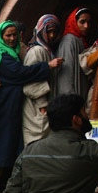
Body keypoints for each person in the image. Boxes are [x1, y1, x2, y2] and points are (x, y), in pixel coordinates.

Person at [0, 20, 61, 193]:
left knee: (10, 146)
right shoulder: (1, 56)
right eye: (7, 35)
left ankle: (3, 187)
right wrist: (47, 66)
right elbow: (19, 74)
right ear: (1, 37)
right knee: (1, 146)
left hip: (11, 107)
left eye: (14, 35)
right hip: (4, 108)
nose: (11, 38)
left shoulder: (12, 54)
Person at [21, 14, 61, 145]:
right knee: (37, 144)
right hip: (36, 108)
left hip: (43, 108)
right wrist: (43, 106)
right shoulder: (37, 51)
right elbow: (31, 81)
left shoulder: (47, 50)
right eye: (48, 31)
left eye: (55, 32)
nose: (51, 35)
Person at [55, 7, 93, 100]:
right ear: (74, 22)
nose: (86, 26)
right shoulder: (69, 41)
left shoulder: (80, 40)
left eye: (89, 22)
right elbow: (66, 77)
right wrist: (71, 102)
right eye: (82, 22)